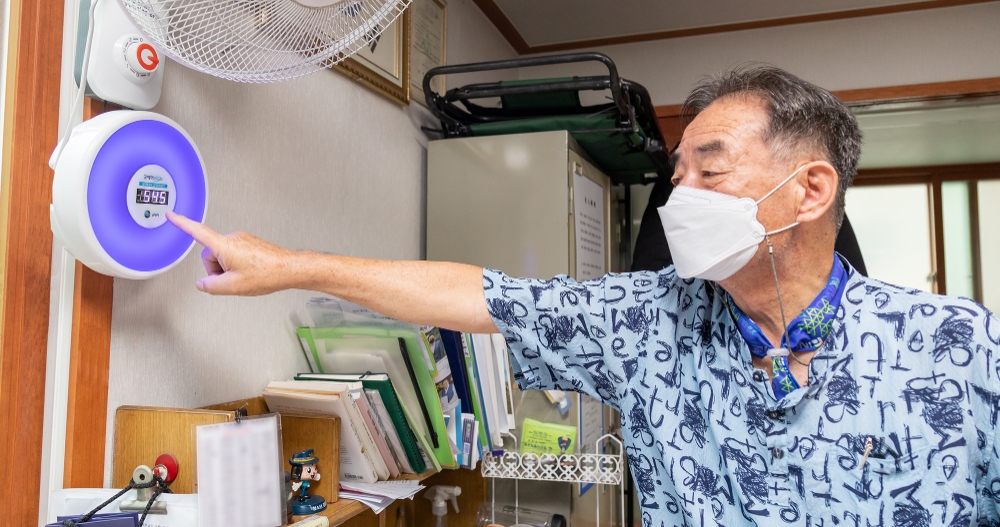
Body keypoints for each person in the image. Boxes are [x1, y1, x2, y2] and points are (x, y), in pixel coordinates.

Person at [167, 65, 1000, 526]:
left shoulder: (962, 352)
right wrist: (288, 263)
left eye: (709, 169)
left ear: (810, 188)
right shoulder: (648, 320)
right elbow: (476, 293)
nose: (682, 197)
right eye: (678, 175)